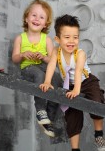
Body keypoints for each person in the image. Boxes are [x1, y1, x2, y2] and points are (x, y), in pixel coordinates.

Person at [39, 14, 105, 151]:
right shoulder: (56, 51)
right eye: (67, 37)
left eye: (75, 37)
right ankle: (75, 148)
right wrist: (47, 81)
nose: (72, 41)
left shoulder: (80, 54)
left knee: (96, 102)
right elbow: (51, 66)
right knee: (72, 113)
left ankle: (99, 134)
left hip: (86, 81)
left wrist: (76, 91)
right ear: (57, 39)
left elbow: (80, 70)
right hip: (69, 84)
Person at [12, 0, 60, 137]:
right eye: (34, 15)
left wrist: (44, 57)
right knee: (39, 75)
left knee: (56, 78)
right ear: (26, 18)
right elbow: (15, 59)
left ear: (45, 23)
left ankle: (49, 115)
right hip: (28, 70)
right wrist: (22, 54)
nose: (37, 19)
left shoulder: (47, 40)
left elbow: (53, 61)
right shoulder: (20, 38)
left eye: (41, 17)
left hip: (44, 68)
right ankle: (40, 111)